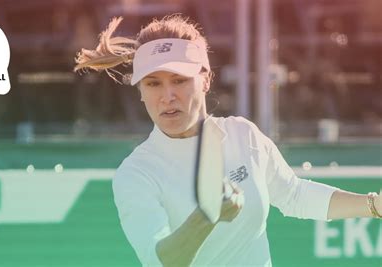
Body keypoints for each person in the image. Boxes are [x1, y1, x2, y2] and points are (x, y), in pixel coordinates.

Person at [74, 15, 382, 267]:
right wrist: (206, 216)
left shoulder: (242, 134)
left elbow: (294, 195)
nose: (167, 96)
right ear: (140, 91)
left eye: (180, 80)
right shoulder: (136, 173)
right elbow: (161, 260)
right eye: (153, 84)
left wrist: (375, 205)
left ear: (206, 79)